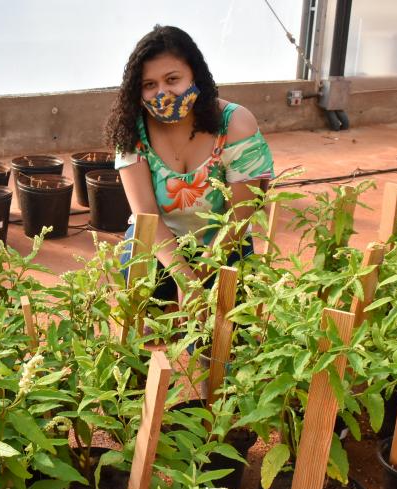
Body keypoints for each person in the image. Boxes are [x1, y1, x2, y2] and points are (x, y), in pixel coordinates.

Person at [105, 25, 275, 303]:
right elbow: (146, 215)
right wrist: (184, 277)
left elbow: (239, 215)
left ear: (195, 75)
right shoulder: (131, 131)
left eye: (172, 79)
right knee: (148, 308)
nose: (163, 93)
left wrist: (201, 277)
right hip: (159, 244)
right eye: (150, 85)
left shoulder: (235, 125)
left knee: (218, 336)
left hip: (222, 242)